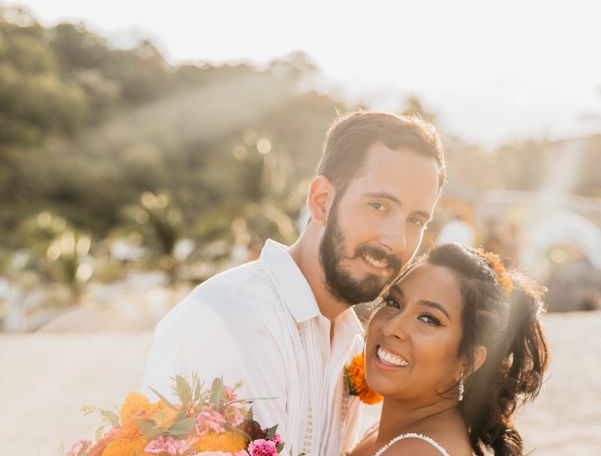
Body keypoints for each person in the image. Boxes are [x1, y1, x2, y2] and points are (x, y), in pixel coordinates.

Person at [142, 111, 446, 455]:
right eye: (379, 205)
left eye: (416, 220)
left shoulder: (347, 336)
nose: (397, 241)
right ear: (321, 202)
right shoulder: (241, 320)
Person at [348, 243, 549, 456]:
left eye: (428, 319)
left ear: (468, 359)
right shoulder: (395, 433)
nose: (391, 328)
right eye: (393, 302)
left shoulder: (418, 451)